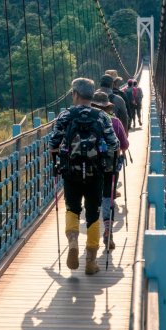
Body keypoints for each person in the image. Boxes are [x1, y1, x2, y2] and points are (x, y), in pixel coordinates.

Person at [49, 78, 119, 275]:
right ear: (90, 95)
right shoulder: (102, 117)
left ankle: (72, 241)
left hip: (71, 172)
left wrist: (56, 162)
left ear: (75, 94)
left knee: (72, 208)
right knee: (93, 214)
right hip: (95, 173)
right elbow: (113, 144)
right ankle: (91, 261)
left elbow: (53, 142)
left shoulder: (65, 116)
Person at [91, 90, 128, 250]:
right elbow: (125, 145)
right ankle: (108, 231)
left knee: (92, 199)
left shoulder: (86, 121)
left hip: (91, 166)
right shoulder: (115, 121)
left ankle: (91, 238)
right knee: (108, 197)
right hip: (110, 166)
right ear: (108, 107)